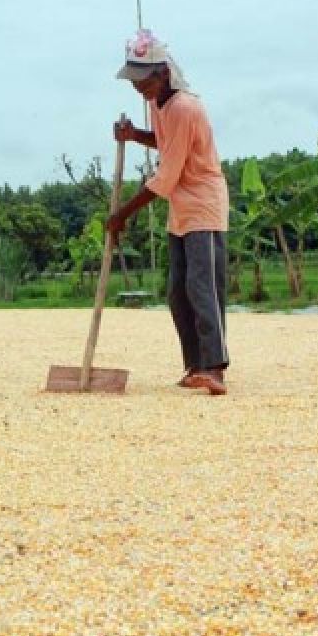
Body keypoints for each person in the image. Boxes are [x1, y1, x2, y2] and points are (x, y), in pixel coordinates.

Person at [107, 29, 230, 396]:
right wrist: (134, 135)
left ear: (162, 73)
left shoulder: (185, 107)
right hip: (181, 207)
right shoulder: (159, 103)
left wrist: (122, 214)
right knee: (178, 291)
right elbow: (166, 143)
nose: (137, 87)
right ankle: (195, 366)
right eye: (134, 81)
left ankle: (215, 367)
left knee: (202, 287)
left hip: (203, 205)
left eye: (143, 80)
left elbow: (166, 176)